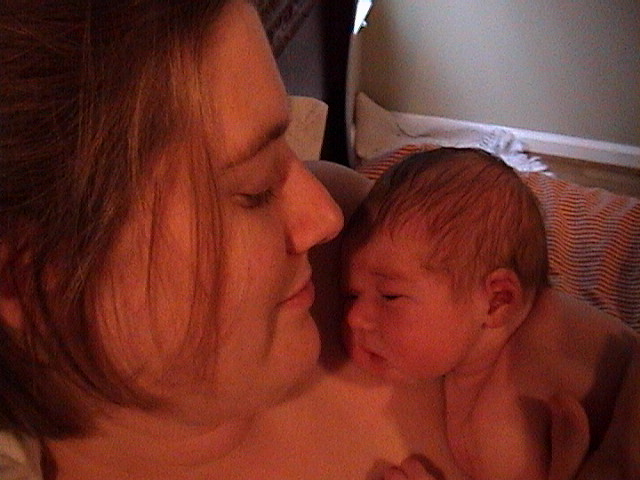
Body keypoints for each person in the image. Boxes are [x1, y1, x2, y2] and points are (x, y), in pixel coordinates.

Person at [0, 1, 631, 479]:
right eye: (252, 190)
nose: (323, 216)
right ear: (32, 278)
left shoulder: (362, 240)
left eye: (287, 147)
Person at [341, 147, 640, 480]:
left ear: (497, 301)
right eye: (350, 295)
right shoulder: (548, 316)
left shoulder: (494, 422)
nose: (354, 317)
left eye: (390, 296)